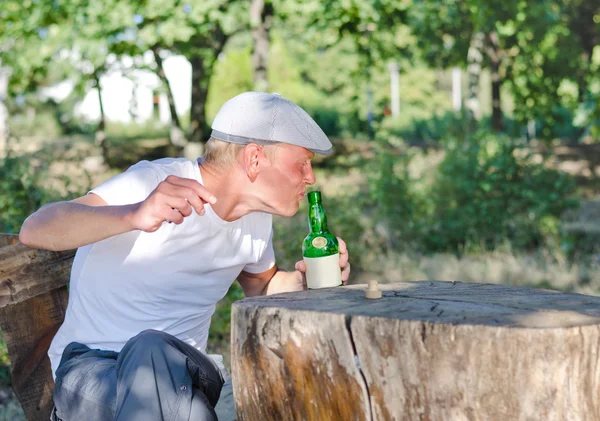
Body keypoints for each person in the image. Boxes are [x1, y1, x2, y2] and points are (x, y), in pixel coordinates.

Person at [18, 91, 351, 421]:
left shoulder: (256, 221)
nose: (310, 178)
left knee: (157, 357)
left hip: (186, 372)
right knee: (156, 360)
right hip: (94, 373)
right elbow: (36, 228)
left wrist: (302, 280)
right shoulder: (153, 183)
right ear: (254, 158)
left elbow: (262, 287)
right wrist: (134, 214)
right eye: (302, 164)